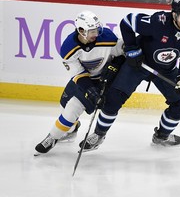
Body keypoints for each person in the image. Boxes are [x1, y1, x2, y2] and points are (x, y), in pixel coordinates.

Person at [79, 0, 180, 152]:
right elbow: (127, 21)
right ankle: (98, 135)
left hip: (166, 70)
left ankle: (161, 136)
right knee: (113, 99)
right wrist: (132, 49)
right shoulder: (159, 21)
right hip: (138, 65)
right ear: (174, 14)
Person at [34, 10, 125, 155]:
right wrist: (91, 91)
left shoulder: (107, 37)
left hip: (106, 81)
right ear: (81, 31)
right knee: (64, 106)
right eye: (92, 31)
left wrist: (114, 67)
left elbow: (124, 52)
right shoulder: (68, 48)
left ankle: (52, 138)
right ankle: (65, 132)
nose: (96, 34)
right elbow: (78, 73)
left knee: (71, 109)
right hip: (86, 81)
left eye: (97, 29)